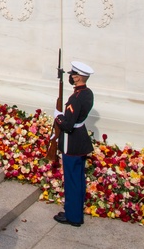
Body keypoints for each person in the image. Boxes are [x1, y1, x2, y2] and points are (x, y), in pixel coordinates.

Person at [53, 61, 94, 228]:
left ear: (77, 78)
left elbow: (68, 125)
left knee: (72, 180)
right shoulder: (87, 93)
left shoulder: (76, 98)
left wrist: (58, 116)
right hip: (81, 140)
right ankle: (74, 212)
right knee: (78, 179)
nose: (70, 77)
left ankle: (73, 216)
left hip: (72, 142)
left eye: (72, 75)